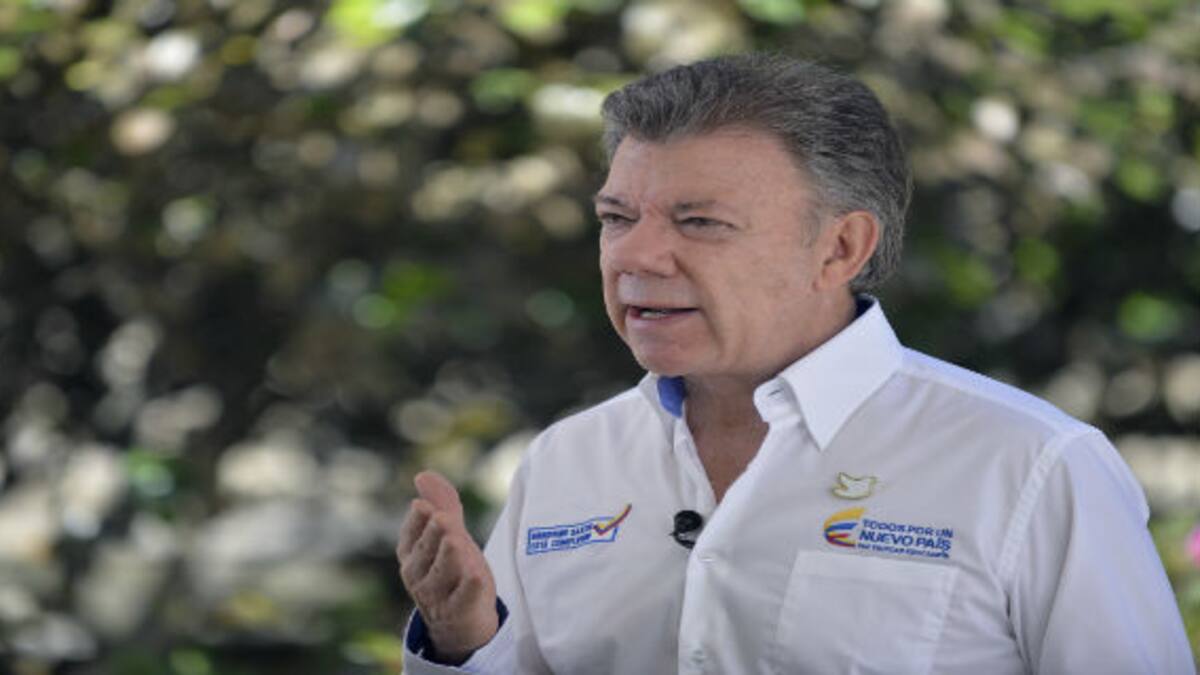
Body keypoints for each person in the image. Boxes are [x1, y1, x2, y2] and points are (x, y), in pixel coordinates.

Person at [395, 53, 1194, 674]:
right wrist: (464, 642)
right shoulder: (566, 461)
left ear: (839, 247)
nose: (635, 255)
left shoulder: (1032, 465)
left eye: (699, 222)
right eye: (616, 217)